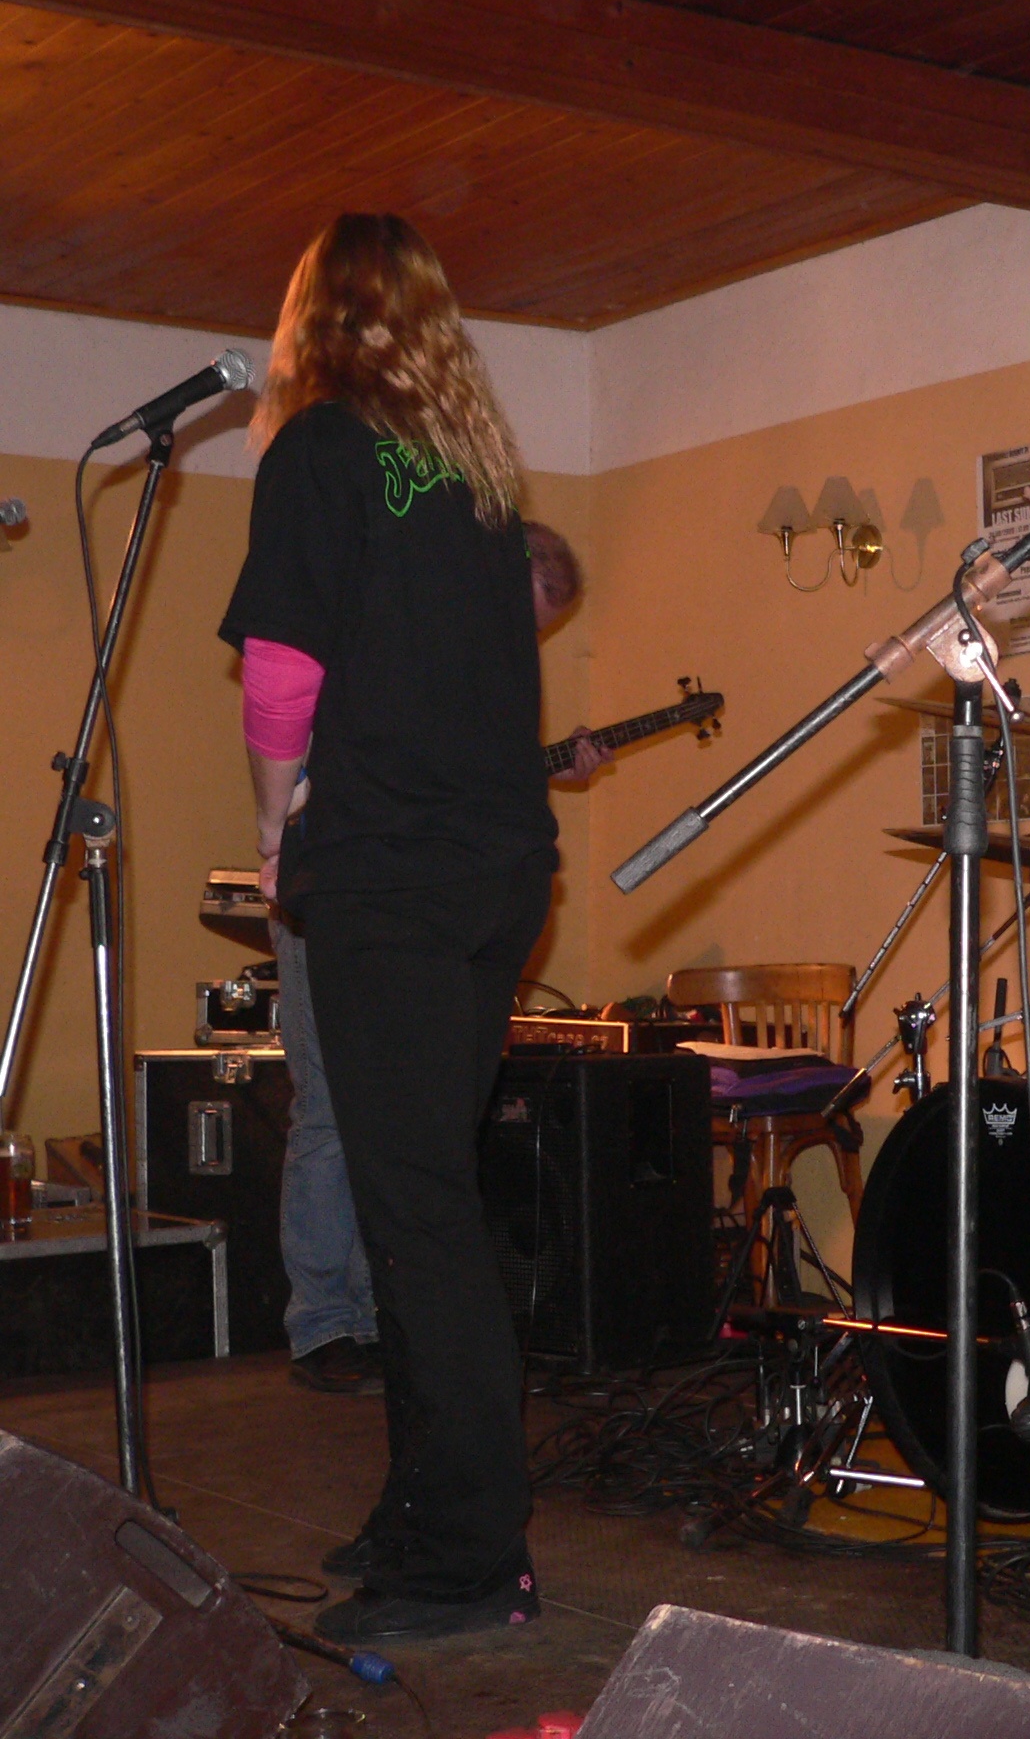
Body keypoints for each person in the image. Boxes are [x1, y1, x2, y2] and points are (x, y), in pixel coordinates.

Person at [224, 213, 562, 1643]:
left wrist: (273, 826)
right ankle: (423, 1509)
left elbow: (281, 673)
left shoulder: (317, 447)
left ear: (311, 316)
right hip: (496, 876)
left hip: (394, 877)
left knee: (416, 1214)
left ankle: (473, 1559)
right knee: (421, 1199)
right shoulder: (475, 476)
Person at [272, 522, 604, 1398]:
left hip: (405, 900)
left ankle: (384, 1320)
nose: (515, 640)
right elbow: (309, 749)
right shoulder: (378, 629)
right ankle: (323, 1324)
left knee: (399, 1123)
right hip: (338, 890)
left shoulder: (464, 668)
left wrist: (543, 776)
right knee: (331, 1110)